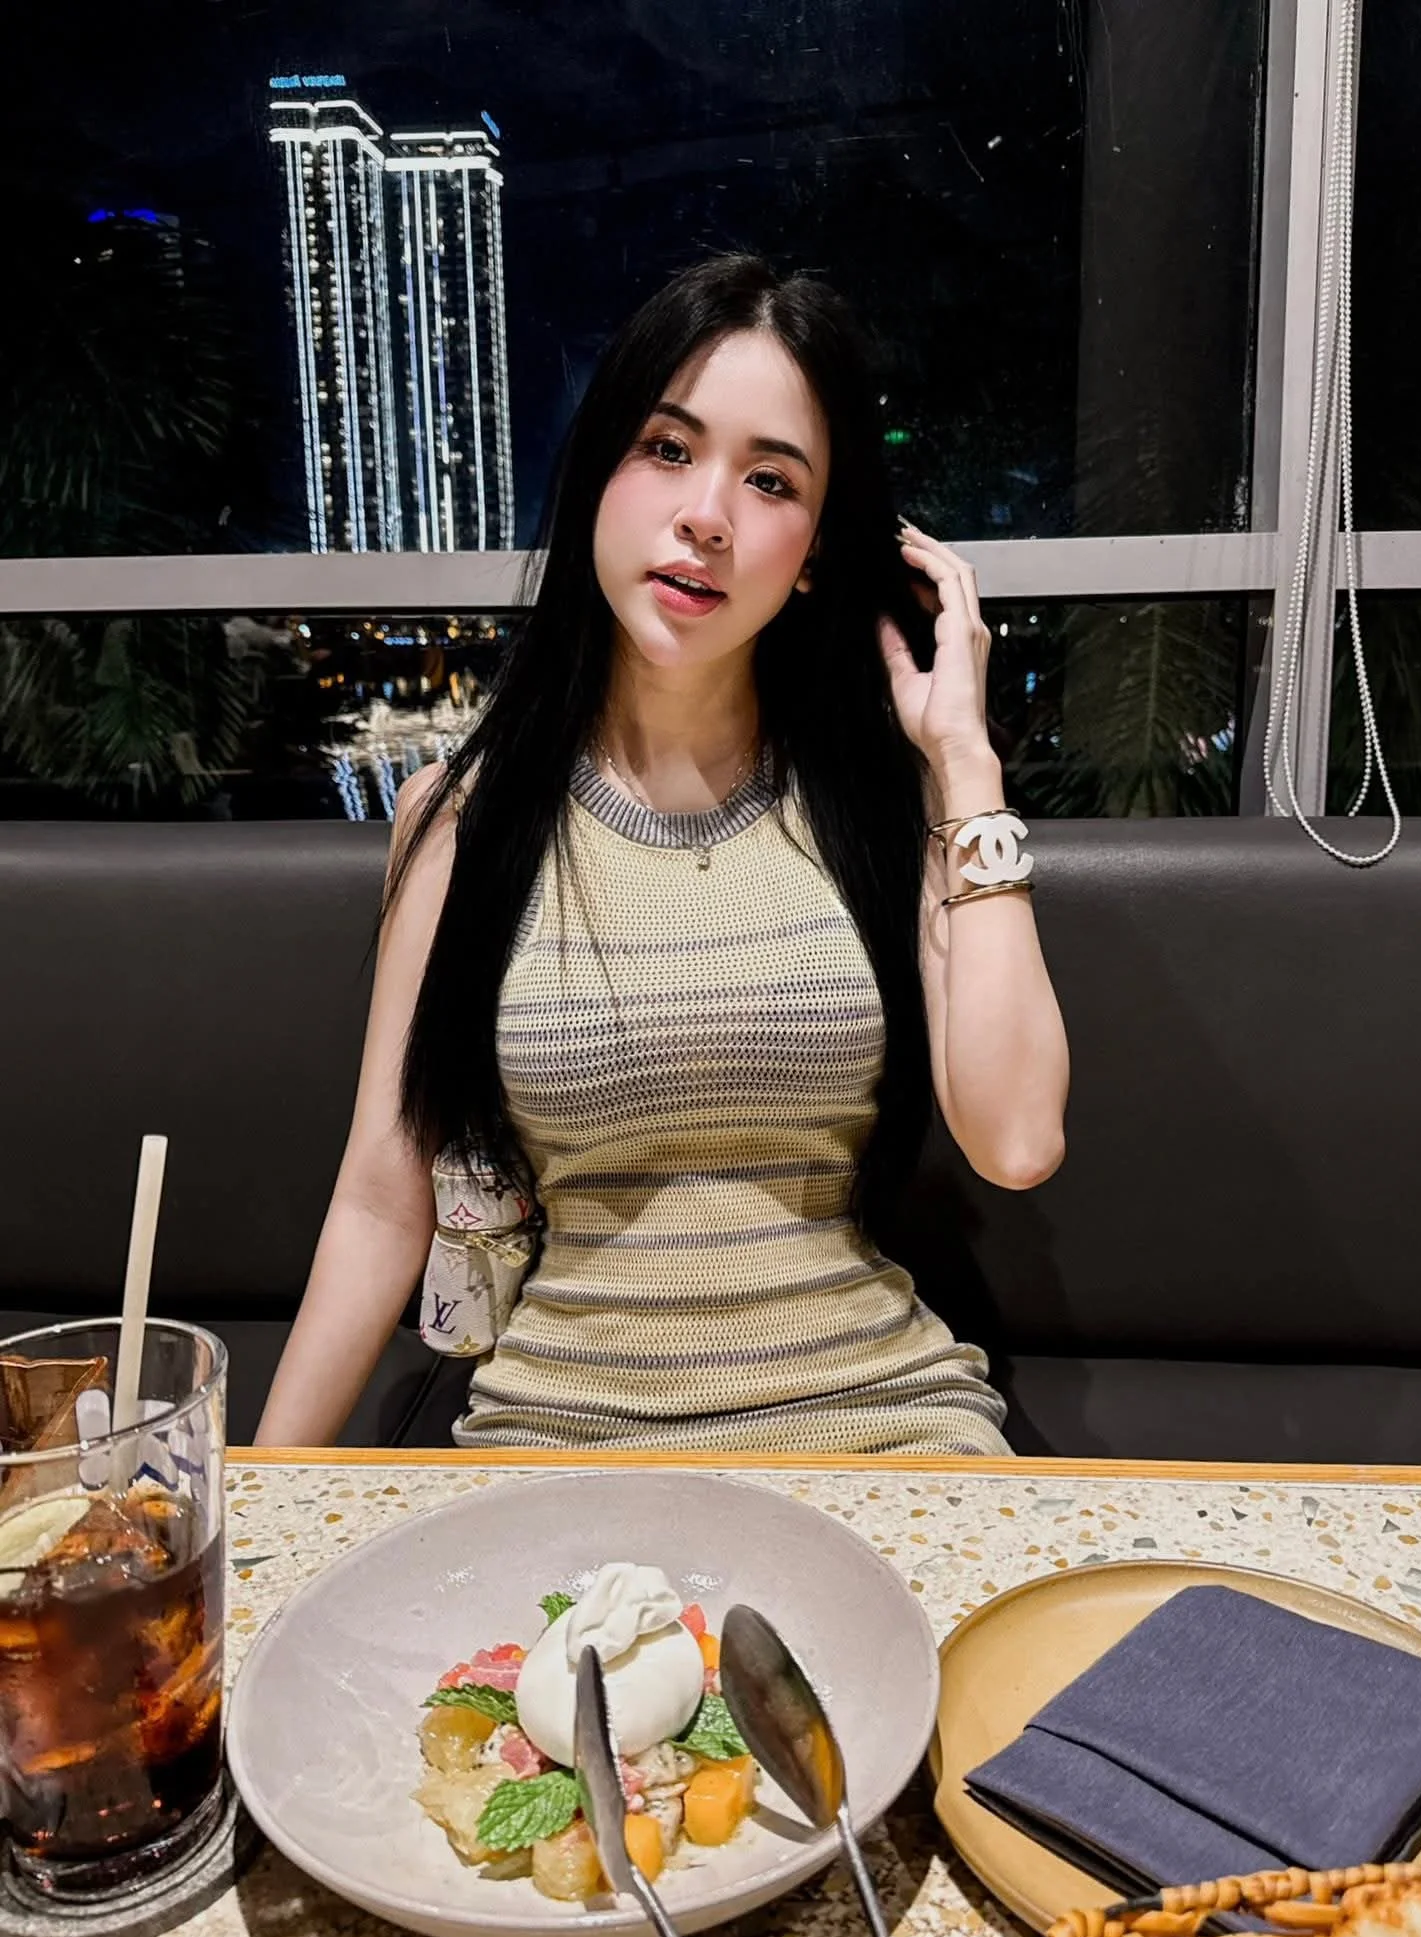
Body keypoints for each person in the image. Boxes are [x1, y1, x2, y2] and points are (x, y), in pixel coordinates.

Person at [254, 252, 1069, 1455]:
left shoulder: (884, 808)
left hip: (883, 1426)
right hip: (561, 1440)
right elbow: (383, 1201)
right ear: (599, 472)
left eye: (771, 479)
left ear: (814, 551)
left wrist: (964, 759)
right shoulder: (466, 823)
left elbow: (1017, 1139)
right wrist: (256, 1501)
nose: (708, 515)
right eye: (669, 448)